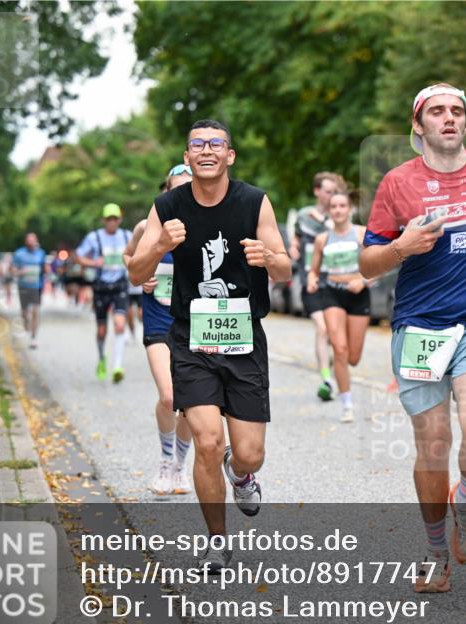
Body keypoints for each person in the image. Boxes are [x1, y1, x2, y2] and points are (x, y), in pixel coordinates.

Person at [359, 83, 466, 593]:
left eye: (457, 110)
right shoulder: (397, 183)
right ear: (418, 126)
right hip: (418, 327)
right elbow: (368, 263)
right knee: (433, 447)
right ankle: (436, 554)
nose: (449, 118)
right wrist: (402, 246)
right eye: (437, 112)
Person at [129, 120, 291, 573]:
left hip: (243, 339)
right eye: (198, 144)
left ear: (230, 155)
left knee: (249, 452)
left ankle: (240, 473)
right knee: (205, 441)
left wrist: (269, 259)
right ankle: (217, 542)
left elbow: (285, 270)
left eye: (215, 144)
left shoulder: (254, 201)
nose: (206, 151)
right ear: (187, 155)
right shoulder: (167, 205)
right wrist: (159, 243)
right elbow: (135, 271)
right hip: (191, 338)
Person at [123, 164, 196, 496]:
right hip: (158, 318)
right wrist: (143, 273)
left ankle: (181, 467)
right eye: (175, 188)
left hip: (195, 323)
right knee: (169, 397)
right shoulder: (146, 226)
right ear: (166, 191)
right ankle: (166, 462)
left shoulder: (206, 228)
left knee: (191, 404)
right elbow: (129, 259)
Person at [306, 190, 370, 423]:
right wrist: (313, 279)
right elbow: (314, 269)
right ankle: (347, 404)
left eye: (342, 206)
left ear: (349, 209)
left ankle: (341, 370)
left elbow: (379, 265)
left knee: (353, 357)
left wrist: (362, 281)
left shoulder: (361, 234)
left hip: (358, 295)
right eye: (334, 207)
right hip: (332, 294)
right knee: (339, 349)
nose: (338, 210)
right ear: (329, 210)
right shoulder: (323, 239)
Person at [290, 172, 345, 402]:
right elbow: (296, 240)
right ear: (317, 191)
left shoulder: (339, 216)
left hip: (334, 282)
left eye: (334, 191)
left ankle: (332, 365)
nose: (330, 195)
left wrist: (324, 221)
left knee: (334, 333)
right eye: (327, 191)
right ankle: (326, 379)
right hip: (310, 282)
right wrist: (293, 249)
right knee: (321, 328)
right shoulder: (303, 216)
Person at [76, 204, 133, 383]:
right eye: (109, 219)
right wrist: (94, 263)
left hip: (120, 286)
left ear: (120, 220)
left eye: (115, 218)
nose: (112, 222)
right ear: (103, 220)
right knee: (102, 330)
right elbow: (78, 257)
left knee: (119, 324)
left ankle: (117, 366)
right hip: (101, 287)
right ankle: (102, 358)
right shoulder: (94, 238)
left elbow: (138, 253)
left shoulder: (127, 236)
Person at [12, 232, 48, 349]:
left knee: (36, 311)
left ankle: (33, 338)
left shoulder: (41, 253)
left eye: (33, 240)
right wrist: (20, 272)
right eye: (29, 240)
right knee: (24, 312)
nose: (31, 243)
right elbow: (12, 270)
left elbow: (45, 268)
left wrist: (47, 270)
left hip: (36, 286)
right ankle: (26, 324)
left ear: (36, 241)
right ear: (26, 242)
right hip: (23, 286)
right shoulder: (19, 253)